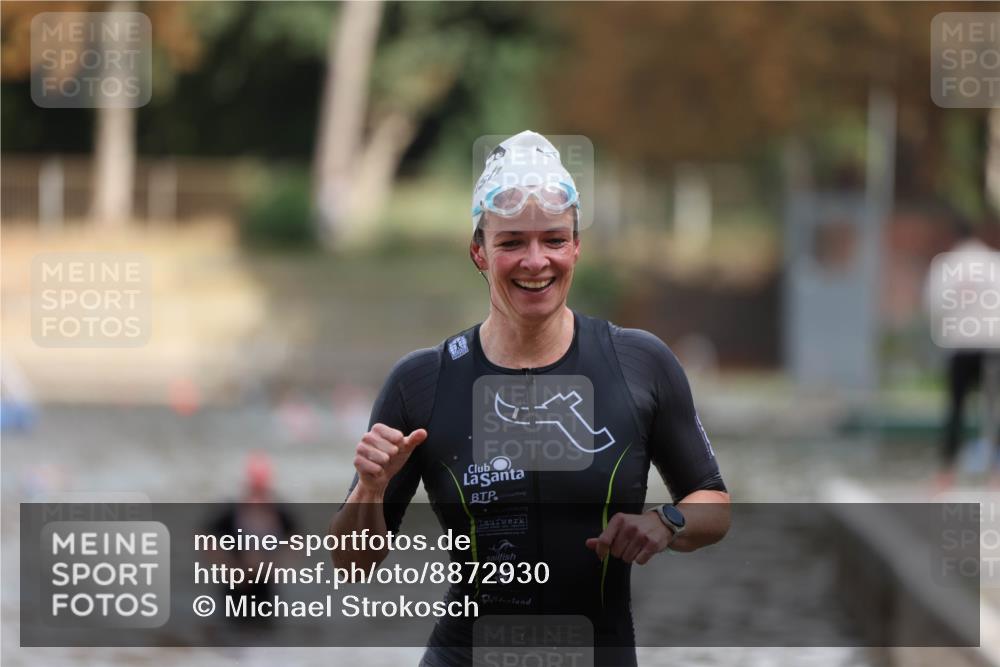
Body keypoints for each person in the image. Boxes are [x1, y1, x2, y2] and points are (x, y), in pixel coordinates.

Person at [329, 131, 731, 666]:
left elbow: (713, 504)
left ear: (577, 246)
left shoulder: (639, 364)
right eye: (512, 241)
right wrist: (371, 491)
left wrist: (665, 524)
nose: (535, 261)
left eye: (554, 240)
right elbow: (350, 562)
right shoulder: (423, 381)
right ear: (479, 251)